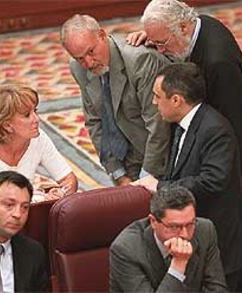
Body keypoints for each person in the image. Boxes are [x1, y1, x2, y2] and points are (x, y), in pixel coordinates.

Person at [128, 1, 242, 290]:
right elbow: (172, 39)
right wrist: (151, 35)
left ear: (183, 28)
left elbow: (237, 120)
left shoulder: (218, 62)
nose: (159, 49)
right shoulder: (199, 24)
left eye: (162, 42)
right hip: (224, 144)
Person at [133, 62, 242, 290]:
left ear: (176, 100)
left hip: (215, 238)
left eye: (157, 96)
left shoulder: (215, 129)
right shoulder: (182, 123)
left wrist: (162, 187)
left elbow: (212, 180)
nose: (154, 102)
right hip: (189, 234)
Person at [60, 14, 171, 186]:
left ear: (102, 36)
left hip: (161, 159)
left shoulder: (139, 60)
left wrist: (144, 178)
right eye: (79, 58)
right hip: (126, 158)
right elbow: (95, 122)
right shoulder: (78, 68)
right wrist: (119, 174)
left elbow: (158, 126)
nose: (88, 63)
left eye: (91, 52)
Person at [0, 84, 78, 209]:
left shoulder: (38, 138)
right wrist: (22, 197)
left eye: (35, 111)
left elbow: (69, 179)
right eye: (27, 115)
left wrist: (62, 193)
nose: (36, 119)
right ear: (7, 125)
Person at [110, 186, 228, 292]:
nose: (185, 235)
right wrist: (178, 264)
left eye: (190, 224)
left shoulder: (205, 230)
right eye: (175, 227)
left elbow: (217, 289)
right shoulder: (126, 249)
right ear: (153, 222)